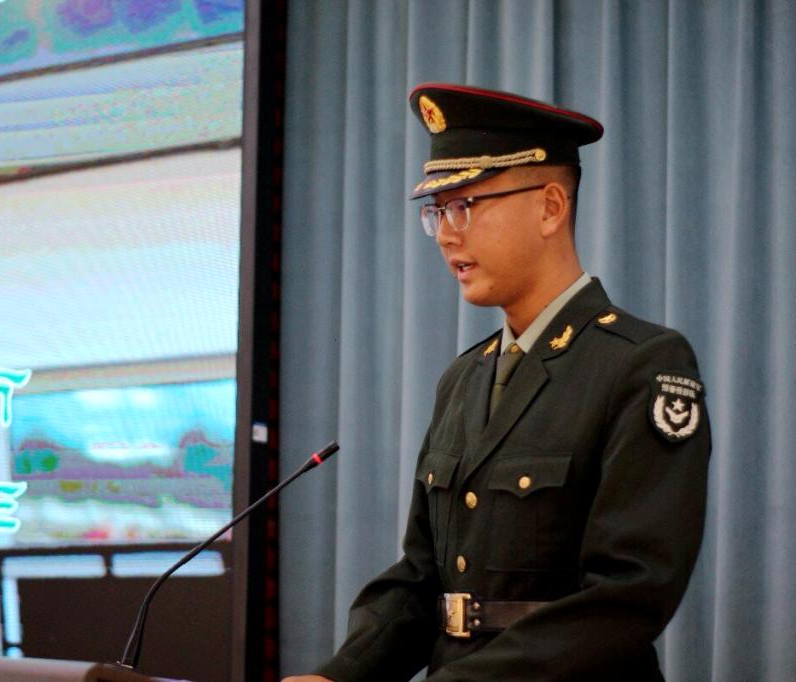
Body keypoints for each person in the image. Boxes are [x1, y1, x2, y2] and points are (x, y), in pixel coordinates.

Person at [283, 84, 711, 681]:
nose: (446, 235)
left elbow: (626, 596)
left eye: (465, 206)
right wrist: (339, 675)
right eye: (436, 213)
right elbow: (422, 577)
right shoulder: (464, 377)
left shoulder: (641, 365)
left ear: (550, 207)